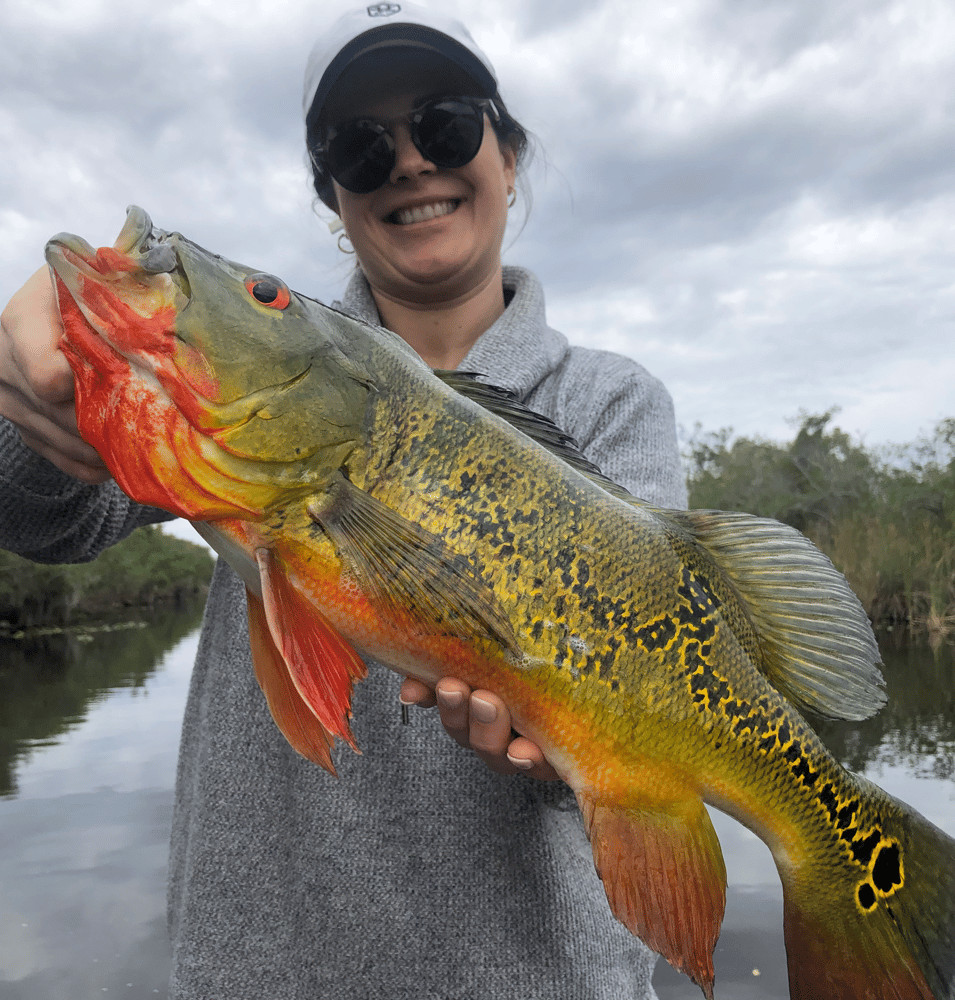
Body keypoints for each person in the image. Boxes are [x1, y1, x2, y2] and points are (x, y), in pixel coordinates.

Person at [0, 4, 686, 998]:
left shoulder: (611, 403)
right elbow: (44, 518)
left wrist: (562, 758)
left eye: (445, 124)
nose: (408, 162)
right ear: (331, 193)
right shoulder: (230, 396)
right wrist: (37, 394)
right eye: (361, 148)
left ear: (510, 151)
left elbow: (649, 724)